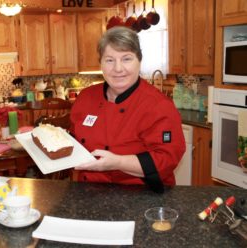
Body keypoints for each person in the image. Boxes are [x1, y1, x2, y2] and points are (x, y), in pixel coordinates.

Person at [70, 26, 185, 193]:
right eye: (109, 60)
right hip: (89, 193)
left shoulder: (158, 105)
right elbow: (73, 139)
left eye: (126, 59)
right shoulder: (86, 97)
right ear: (100, 62)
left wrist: (118, 162)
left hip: (140, 197)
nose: (118, 69)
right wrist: (36, 139)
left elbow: (167, 158)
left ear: (139, 60)